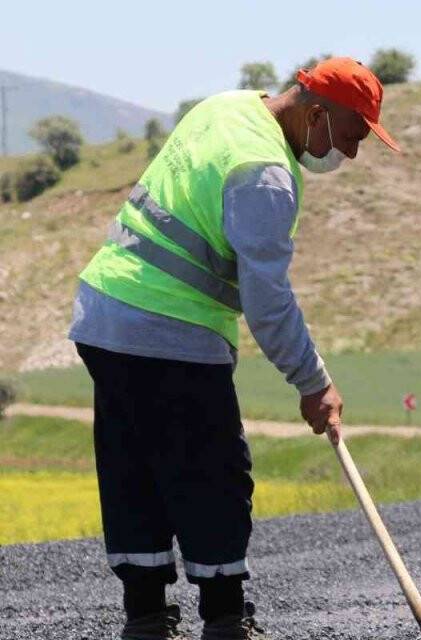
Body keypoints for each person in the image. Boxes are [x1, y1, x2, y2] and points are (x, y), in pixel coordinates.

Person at [68, 57, 401, 640]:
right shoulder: (265, 173)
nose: (350, 154)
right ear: (317, 114)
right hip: (169, 330)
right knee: (213, 474)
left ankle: (144, 617)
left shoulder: (227, 107)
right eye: (351, 136)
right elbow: (267, 301)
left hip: (104, 316)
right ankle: (224, 621)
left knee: (134, 467)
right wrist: (313, 382)